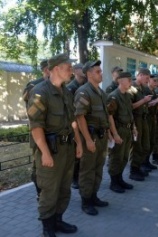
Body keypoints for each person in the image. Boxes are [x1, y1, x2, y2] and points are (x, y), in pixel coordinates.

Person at [27, 53, 82, 236]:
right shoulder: (40, 92)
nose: (71, 71)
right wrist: (45, 153)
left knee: (64, 188)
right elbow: (36, 127)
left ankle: (58, 221)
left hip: (67, 149)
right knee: (49, 190)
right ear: (56, 69)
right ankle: (48, 227)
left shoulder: (66, 92)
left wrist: (79, 143)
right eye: (68, 68)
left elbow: (73, 122)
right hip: (50, 149)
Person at [74, 60, 110, 216]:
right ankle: (86, 201)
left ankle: (94, 196)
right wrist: (87, 140)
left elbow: (106, 116)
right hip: (91, 137)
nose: (101, 73)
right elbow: (79, 117)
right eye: (97, 72)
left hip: (101, 137)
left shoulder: (101, 93)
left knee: (98, 168)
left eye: (100, 71)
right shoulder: (84, 92)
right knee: (87, 170)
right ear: (88, 74)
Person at [23, 59, 50, 201]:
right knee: (38, 165)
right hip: (38, 132)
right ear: (46, 70)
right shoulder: (34, 86)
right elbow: (31, 110)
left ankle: (49, 193)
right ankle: (39, 192)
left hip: (54, 134)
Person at [106, 71, 135, 193]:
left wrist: (134, 128)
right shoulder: (114, 96)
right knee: (116, 157)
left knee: (124, 157)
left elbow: (130, 113)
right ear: (121, 81)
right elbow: (109, 116)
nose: (131, 82)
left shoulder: (127, 96)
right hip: (119, 129)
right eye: (129, 80)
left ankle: (120, 179)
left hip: (127, 130)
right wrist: (115, 134)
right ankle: (114, 182)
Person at [127, 68, 152, 181]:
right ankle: (134, 170)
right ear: (140, 75)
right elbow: (129, 107)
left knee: (145, 146)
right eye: (146, 78)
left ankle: (139, 166)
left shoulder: (142, 88)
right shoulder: (131, 88)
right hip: (136, 120)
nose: (148, 81)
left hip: (143, 119)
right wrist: (144, 101)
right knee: (137, 146)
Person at [66, 63, 87, 189]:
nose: (83, 71)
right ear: (75, 71)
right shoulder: (71, 87)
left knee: (82, 152)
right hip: (74, 124)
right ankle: (74, 178)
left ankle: (80, 176)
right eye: (81, 69)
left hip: (83, 122)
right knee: (76, 154)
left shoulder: (84, 86)